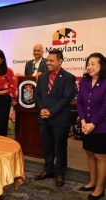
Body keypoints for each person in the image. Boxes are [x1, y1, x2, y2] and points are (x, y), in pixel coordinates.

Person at [34, 49, 76, 187]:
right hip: (43, 118)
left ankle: (60, 173)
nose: (48, 63)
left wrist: (51, 112)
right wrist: (42, 110)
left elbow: (66, 99)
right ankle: (48, 169)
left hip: (59, 119)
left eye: (52, 60)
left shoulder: (69, 78)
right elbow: (37, 96)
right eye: (47, 60)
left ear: (60, 61)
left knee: (61, 147)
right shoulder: (42, 77)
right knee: (47, 146)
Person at [77, 53, 106, 200]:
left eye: (93, 64)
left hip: (101, 126)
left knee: (100, 156)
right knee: (89, 153)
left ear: (102, 65)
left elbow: (104, 108)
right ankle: (92, 182)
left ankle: (100, 188)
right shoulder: (84, 80)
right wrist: (83, 122)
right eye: (88, 64)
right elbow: (80, 103)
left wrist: (93, 124)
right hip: (86, 125)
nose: (90, 67)